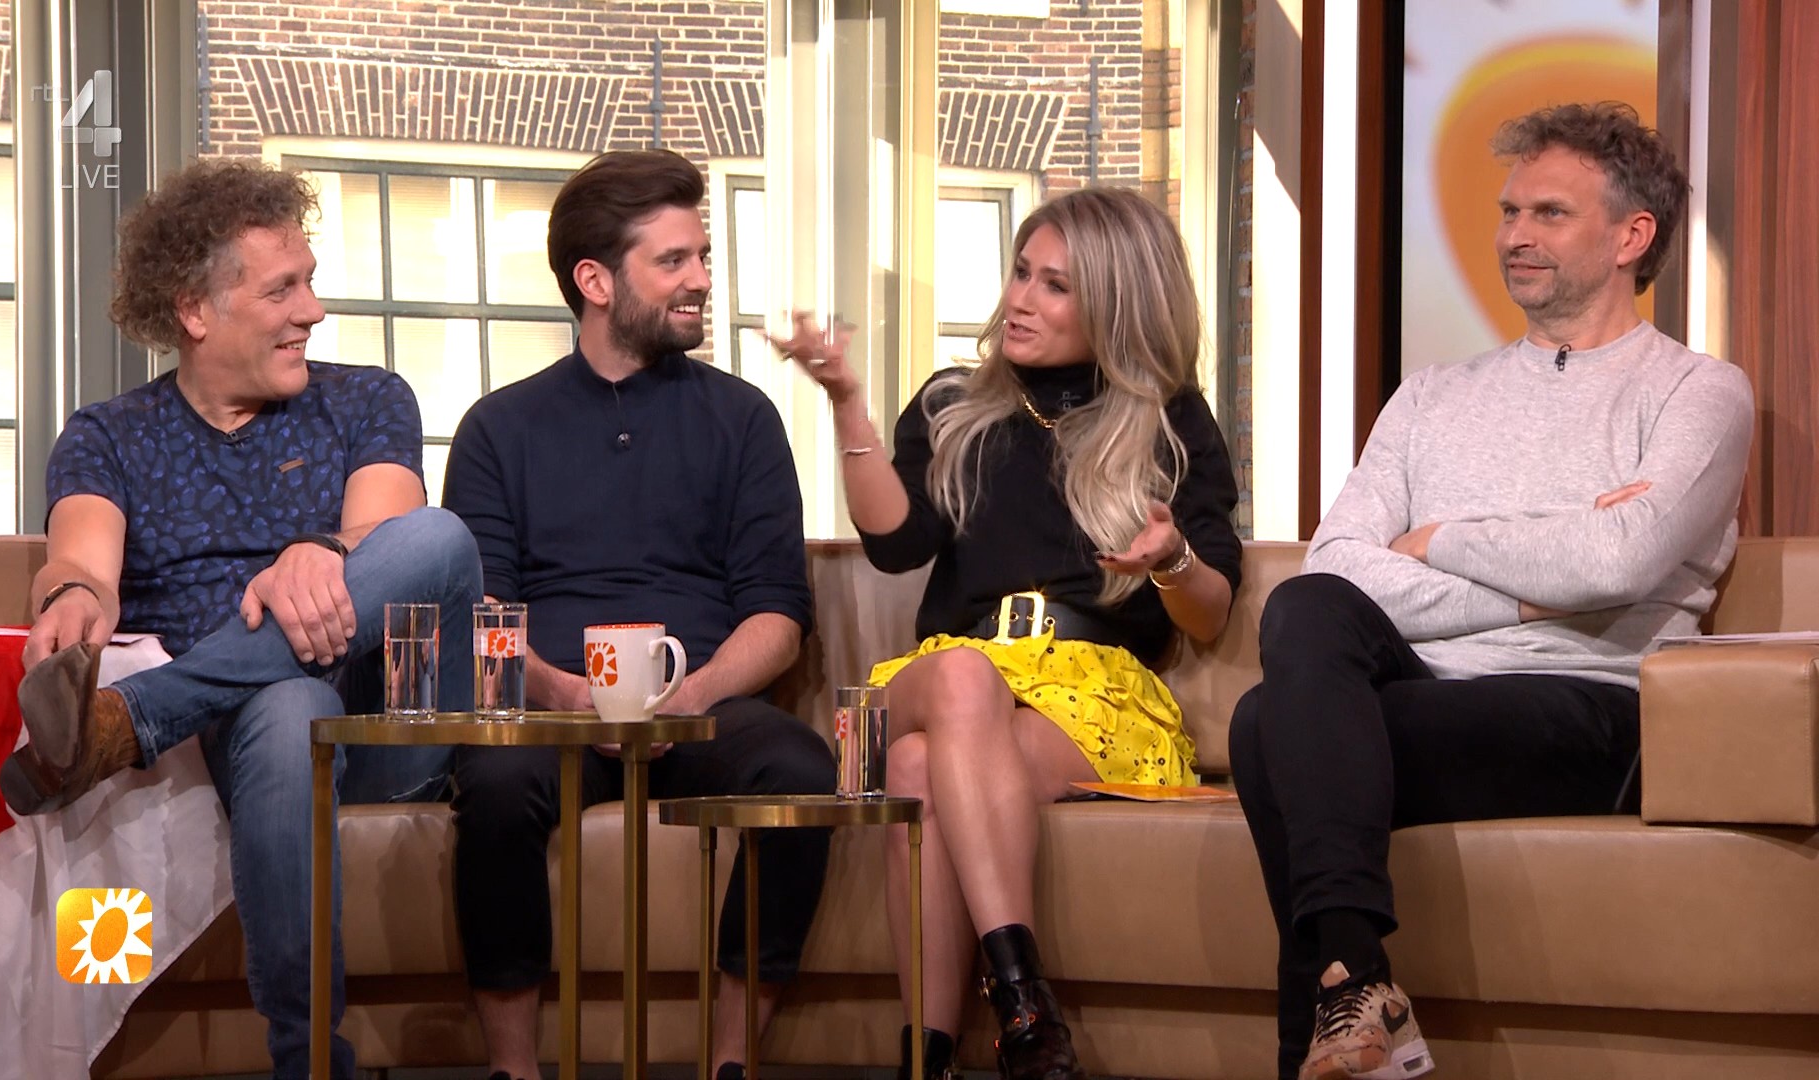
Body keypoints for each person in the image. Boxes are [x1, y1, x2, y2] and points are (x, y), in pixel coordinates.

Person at [1227, 102, 1754, 1080]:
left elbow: (1617, 565)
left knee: (1266, 729)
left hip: (1592, 706)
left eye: (1550, 213)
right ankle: (1358, 992)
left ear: (1632, 236)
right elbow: (1337, 562)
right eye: (1511, 211)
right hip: (1428, 690)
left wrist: (1441, 540)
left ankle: (1335, 1017)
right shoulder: (1430, 396)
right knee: (1305, 608)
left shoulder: (1700, 392)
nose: (1515, 234)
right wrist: (1532, 585)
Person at [0, 159, 484, 1080]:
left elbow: (388, 529)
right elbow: (82, 562)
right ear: (195, 309)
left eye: (310, 282)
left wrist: (324, 551)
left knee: (439, 535)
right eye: (282, 289)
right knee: (289, 704)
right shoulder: (109, 435)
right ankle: (310, 1062)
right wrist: (70, 599)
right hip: (245, 739)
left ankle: (133, 720)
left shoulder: (368, 398)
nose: (314, 311)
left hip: (389, 729)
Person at [774, 186, 1242, 1080]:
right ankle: (1024, 1001)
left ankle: (928, 1057)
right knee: (962, 681)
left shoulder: (1172, 424)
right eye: (1021, 273)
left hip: (1091, 688)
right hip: (948, 670)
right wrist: (846, 403)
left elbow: (1210, 611)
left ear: (1117, 303)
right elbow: (895, 545)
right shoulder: (956, 402)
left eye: (1055, 286)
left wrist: (1173, 557)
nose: (1021, 299)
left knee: (920, 771)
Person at [440, 149, 835, 1080]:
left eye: (703, 256)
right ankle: (512, 1069)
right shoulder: (499, 428)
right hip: (556, 708)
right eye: (674, 261)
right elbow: (484, 614)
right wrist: (565, 695)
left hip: (701, 705)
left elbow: (778, 614)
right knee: (494, 783)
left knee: (800, 767)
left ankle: (731, 1061)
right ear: (596, 281)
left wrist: (691, 695)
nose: (701, 279)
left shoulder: (743, 420)